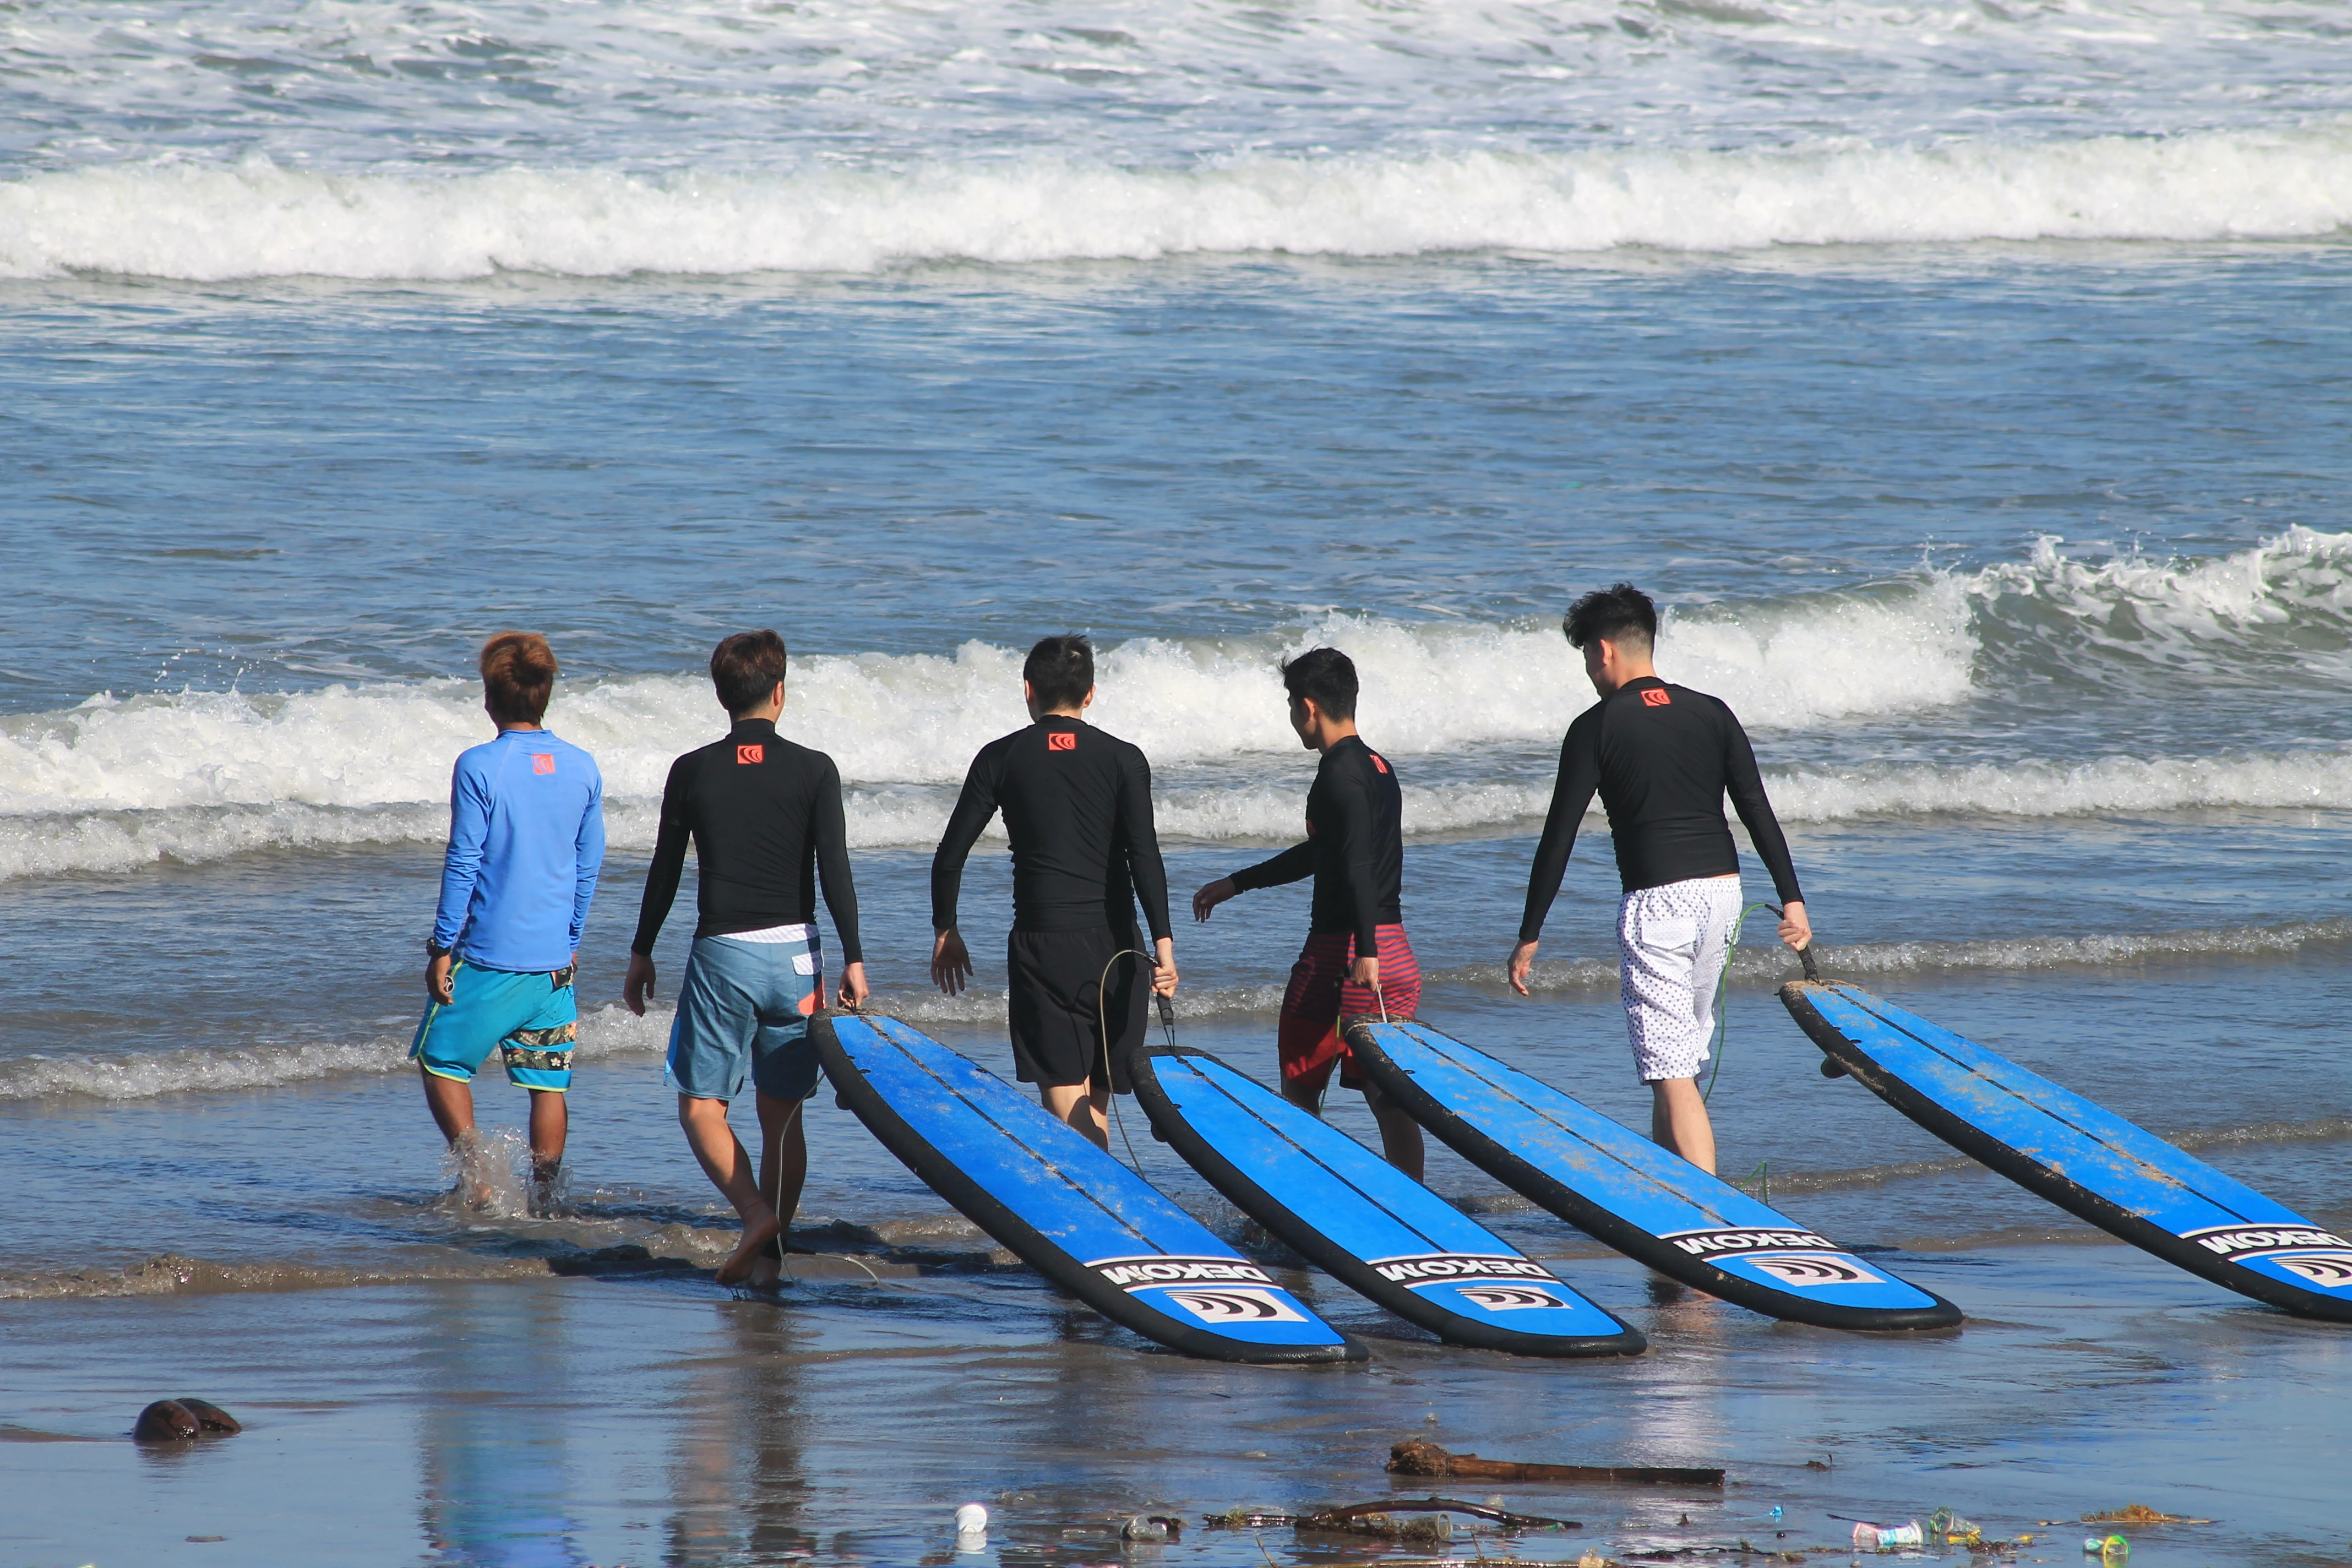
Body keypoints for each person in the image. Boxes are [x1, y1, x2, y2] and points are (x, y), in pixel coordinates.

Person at [1506, 583, 1811, 1176]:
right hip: (1724, 895)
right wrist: (1794, 899)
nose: (1590, 674)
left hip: (1659, 905)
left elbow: (1558, 837)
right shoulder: (1711, 711)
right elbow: (1757, 809)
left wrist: (1529, 933)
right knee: (1675, 1064)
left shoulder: (1596, 726)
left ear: (1603, 651)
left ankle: (1710, 1212)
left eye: (1587, 661)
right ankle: (1671, 1185)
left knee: (1671, 1071)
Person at [623, 630, 869, 1288]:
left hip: (722, 955)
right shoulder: (815, 769)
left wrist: (641, 950)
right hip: (797, 956)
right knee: (782, 1114)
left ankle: (755, 1213)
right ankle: (770, 1256)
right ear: (781, 693)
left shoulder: (694, 769)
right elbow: (835, 869)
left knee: (703, 1106)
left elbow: (666, 870)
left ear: (720, 696)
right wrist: (854, 957)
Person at [929, 634, 1179, 1149]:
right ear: (1091, 695)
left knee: (1067, 1106)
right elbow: (1144, 856)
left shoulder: (1000, 758)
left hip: (1045, 948)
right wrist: (1164, 948)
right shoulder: (1124, 758)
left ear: (1028, 690)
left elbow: (950, 854)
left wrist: (946, 929)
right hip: (1120, 948)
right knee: (1094, 1104)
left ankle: (1105, 1212)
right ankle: (1112, 1214)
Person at [1191, 647, 1425, 1178]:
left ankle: (1300, 1199)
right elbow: (1330, 854)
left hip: (1343, 953)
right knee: (1390, 1100)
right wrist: (1237, 883)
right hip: (1393, 949)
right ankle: (1417, 1205)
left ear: (1308, 706)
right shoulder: (1377, 767)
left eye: (1291, 704)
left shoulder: (1337, 775)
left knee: (1300, 1086)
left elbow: (1359, 866)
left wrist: (1363, 950)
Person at [412, 631, 605, 1209]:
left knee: (439, 1060)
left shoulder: (479, 765)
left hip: (491, 954)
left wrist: (442, 945)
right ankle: (545, 1197)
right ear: (545, 694)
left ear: (490, 698)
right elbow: (587, 862)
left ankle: (482, 1182)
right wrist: (572, 938)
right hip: (553, 964)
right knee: (545, 1081)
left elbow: (463, 858)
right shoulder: (581, 766)